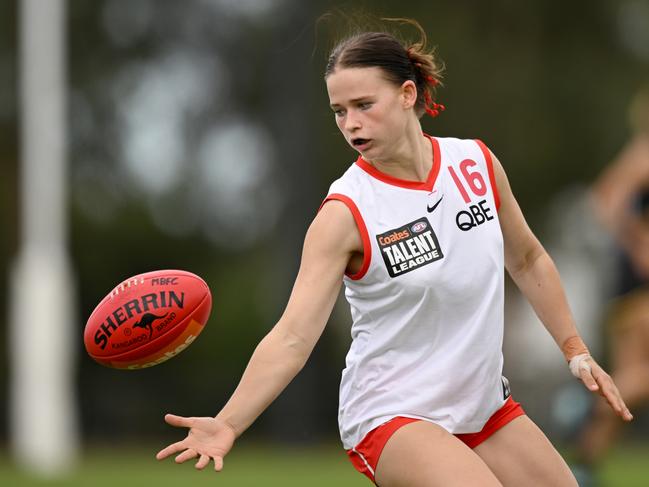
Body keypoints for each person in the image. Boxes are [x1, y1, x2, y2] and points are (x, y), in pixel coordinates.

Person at [155, 18, 633, 486]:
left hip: (484, 408)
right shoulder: (345, 213)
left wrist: (576, 350)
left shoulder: (476, 165)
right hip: (393, 415)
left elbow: (527, 260)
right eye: (339, 111)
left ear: (408, 94)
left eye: (364, 104)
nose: (351, 123)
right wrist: (229, 422)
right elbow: (293, 337)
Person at [571, 83, 649, 486]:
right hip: (638, 286)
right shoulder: (643, 153)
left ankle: (582, 467)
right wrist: (639, 244)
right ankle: (585, 407)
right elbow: (605, 200)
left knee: (630, 380)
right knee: (640, 378)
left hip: (630, 289)